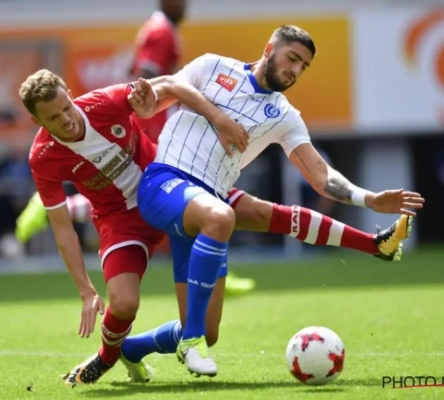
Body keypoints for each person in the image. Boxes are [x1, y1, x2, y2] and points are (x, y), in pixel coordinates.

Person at [20, 68, 420, 387]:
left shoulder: (102, 103)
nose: (67, 120)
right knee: (123, 305)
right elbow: (62, 228)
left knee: (258, 222)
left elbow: (172, 84)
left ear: (71, 94)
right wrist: (85, 290)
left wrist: (218, 118)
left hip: (170, 185)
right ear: (36, 121)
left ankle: (374, 244)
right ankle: (109, 356)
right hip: (121, 220)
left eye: (67, 108)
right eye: (53, 118)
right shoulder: (43, 158)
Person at [134, 25, 425, 378]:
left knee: (212, 328)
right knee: (223, 219)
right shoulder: (212, 66)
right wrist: (213, 117)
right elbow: (164, 90)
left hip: (211, 197)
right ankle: (190, 340)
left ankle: (128, 349)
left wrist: (369, 199)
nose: (296, 70)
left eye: (304, 66)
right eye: (292, 58)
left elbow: (321, 175)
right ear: (269, 49)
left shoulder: (284, 116)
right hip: (166, 181)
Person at [16, 0, 256, 295]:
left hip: (153, 124)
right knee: (184, 195)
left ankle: (213, 269)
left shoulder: (161, 29)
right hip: (155, 123)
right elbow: (149, 82)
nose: (186, 4)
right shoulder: (160, 32)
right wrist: (154, 116)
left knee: (157, 198)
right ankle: (213, 271)